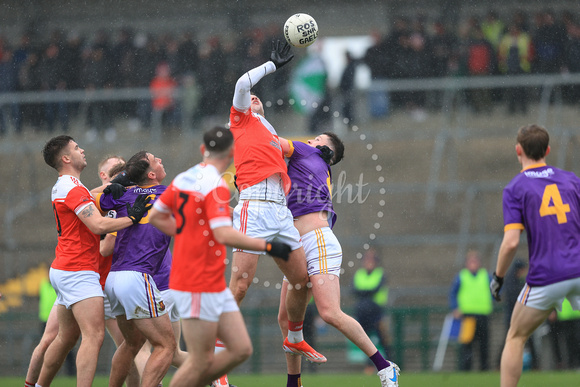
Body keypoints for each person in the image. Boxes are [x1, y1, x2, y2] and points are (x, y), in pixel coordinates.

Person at [148, 126, 292, 387]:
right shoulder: (216, 185)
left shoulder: (183, 178)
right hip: (193, 281)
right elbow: (224, 234)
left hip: (211, 281)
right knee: (199, 362)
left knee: (240, 349)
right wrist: (268, 247)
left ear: (204, 149)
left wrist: (184, 232)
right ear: (233, 153)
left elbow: (157, 216)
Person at [227, 39, 326, 366]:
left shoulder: (269, 131)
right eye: (249, 98)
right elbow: (243, 83)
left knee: (302, 280)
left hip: (279, 212)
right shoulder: (240, 120)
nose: (252, 97)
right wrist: (271, 66)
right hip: (253, 206)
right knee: (240, 286)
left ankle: (295, 338)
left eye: (257, 98)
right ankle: (215, 362)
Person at [277, 133, 399, 387]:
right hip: (299, 244)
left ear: (324, 148)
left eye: (317, 138)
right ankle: (294, 382)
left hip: (317, 242)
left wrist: (254, 116)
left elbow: (270, 141)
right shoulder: (313, 161)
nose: (311, 139)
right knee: (286, 318)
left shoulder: (307, 152)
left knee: (330, 312)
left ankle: (385, 366)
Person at [37, 135, 150, 387]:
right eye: (77, 148)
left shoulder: (66, 185)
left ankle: (34, 384)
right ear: (66, 158)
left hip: (65, 267)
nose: (82, 150)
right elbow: (97, 224)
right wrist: (131, 218)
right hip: (79, 270)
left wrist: (111, 187)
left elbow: (88, 196)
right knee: (95, 335)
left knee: (64, 338)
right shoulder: (72, 188)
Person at [490, 124, 580, 387]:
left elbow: (510, 243)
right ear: (548, 150)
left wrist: (498, 277)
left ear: (518, 150)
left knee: (516, 336)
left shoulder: (515, 188)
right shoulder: (572, 179)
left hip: (547, 276)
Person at [95, 150, 179, 387]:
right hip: (137, 278)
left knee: (131, 344)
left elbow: (89, 198)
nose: (161, 160)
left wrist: (114, 184)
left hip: (114, 279)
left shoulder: (125, 195)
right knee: (167, 346)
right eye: (155, 160)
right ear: (152, 174)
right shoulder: (168, 193)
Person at [449, 250, 492, 371]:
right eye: (471, 261)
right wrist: (455, 308)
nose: (473, 264)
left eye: (475, 261)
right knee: (467, 345)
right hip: (467, 316)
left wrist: (492, 299)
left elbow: (496, 289)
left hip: (483, 315)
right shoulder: (461, 276)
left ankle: (484, 370)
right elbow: (453, 293)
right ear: (467, 263)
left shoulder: (485, 275)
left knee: (484, 345)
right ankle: (466, 370)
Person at [352, 248, 391, 373]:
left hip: (377, 311)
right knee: (365, 339)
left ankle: (390, 363)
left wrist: (364, 292)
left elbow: (375, 289)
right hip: (362, 311)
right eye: (366, 259)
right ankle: (369, 365)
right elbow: (353, 290)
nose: (368, 262)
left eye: (371, 259)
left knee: (382, 338)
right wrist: (367, 292)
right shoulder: (359, 274)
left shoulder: (380, 274)